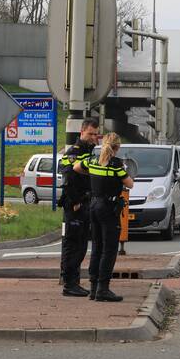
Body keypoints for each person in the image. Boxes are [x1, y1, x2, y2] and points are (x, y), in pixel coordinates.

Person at [86, 133, 134, 302]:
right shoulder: (115, 164)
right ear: (117, 147)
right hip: (108, 208)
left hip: (93, 205)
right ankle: (103, 289)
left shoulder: (92, 160)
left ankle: (93, 288)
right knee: (109, 249)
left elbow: (77, 168)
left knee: (96, 247)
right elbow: (130, 184)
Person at [58, 117, 100, 297]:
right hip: (75, 204)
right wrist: (76, 202)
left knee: (81, 245)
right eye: (90, 134)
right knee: (73, 244)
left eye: (96, 134)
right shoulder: (74, 152)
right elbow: (67, 180)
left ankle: (74, 282)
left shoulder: (89, 151)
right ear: (82, 132)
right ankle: (69, 284)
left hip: (85, 203)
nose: (93, 137)